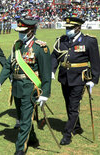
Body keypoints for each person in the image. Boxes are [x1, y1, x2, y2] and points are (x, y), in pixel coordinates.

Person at [0, 19, 52, 155]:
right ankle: (32, 138)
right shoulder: (17, 46)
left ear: (31, 31)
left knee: (24, 119)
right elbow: (8, 64)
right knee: (22, 116)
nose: (20, 35)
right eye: (19, 32)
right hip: (16, 87)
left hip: (30, 88)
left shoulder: (40, 47)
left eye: (23, 32)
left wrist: (45, 93)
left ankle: (20, 148)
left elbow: (45, 73)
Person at [51, 15, 100, 145]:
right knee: (68, 104)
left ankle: (67, 134)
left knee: (73, 106)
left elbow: (95, 62)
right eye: (67, 28)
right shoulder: (62, 40)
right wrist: (52, 70)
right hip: (64, 77)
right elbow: (55, 56)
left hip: (79, 78)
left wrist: (93, 80)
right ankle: (76, 126)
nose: (68, 30)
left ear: (78, 27)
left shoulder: (89, 41)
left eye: (71, 28)